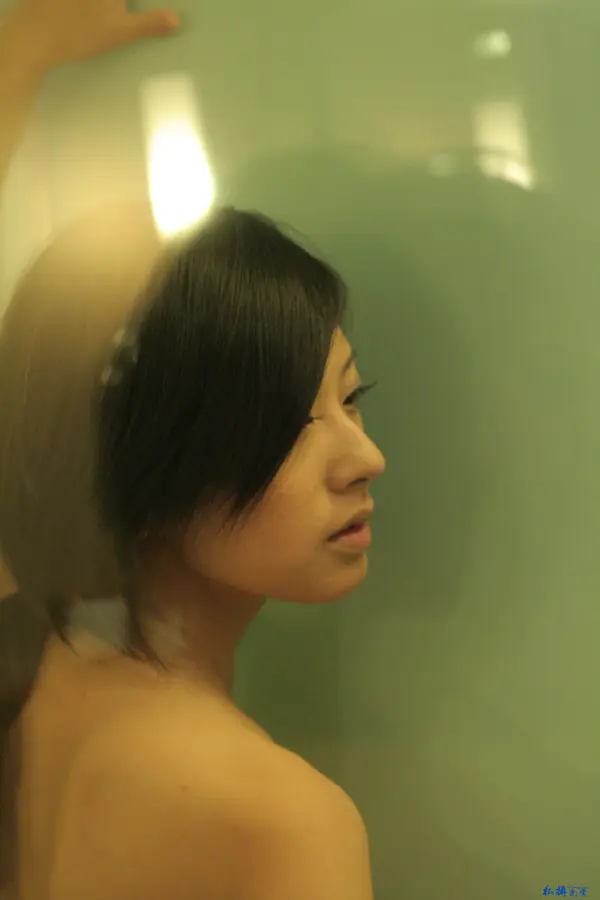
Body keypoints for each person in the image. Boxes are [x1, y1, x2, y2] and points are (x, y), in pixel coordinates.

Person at [0, 1, 386, 897]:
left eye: (351, 399)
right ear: (151, 451)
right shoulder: (285, 822)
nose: (367, 460)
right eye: (291, 422)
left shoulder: (25, 651)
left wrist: (17, 57)